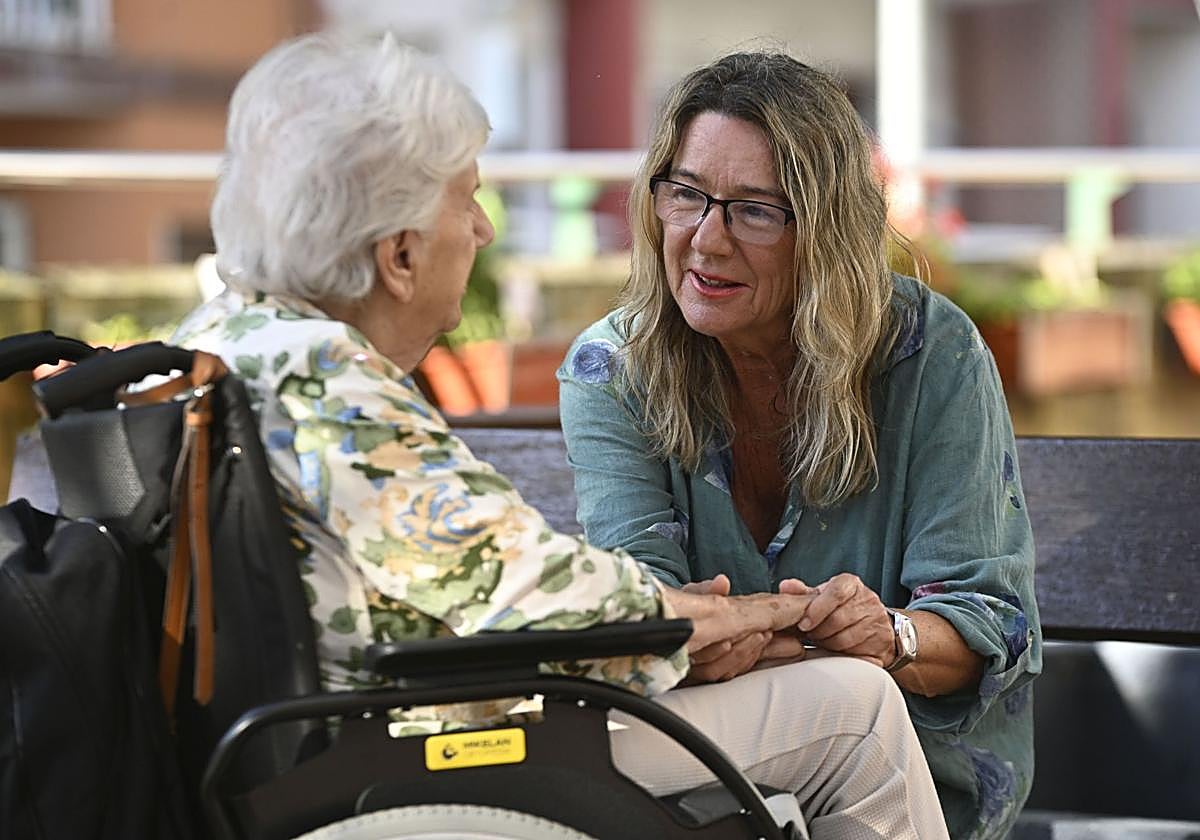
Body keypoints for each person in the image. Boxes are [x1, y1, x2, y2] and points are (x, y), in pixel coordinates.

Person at [173, 32, 949, 839]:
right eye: (465, 200)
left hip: (347, 737)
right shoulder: (328, 384)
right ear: (400, 255)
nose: (479, 229)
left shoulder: (219, 344)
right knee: (857, 713)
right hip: (419, 750)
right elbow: (535, 600)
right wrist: (750, 618)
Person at [557, 51, 1040, 840]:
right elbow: (652, 628)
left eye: (754, 210)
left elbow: (985, 626)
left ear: (825, 229)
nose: (706, 241)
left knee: (863, 704)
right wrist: (814, 636)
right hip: (709, 776)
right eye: (686, 195)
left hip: (918, 775)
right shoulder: (612, 370)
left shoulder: (930, 356)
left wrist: (892, 636)